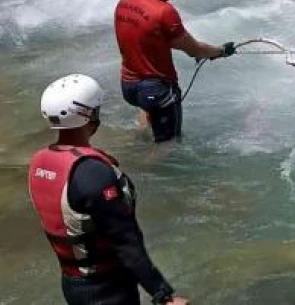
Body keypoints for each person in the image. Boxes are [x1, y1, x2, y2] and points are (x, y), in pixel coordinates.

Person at [28, 74, 190, 305]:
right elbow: (125, 241)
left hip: (72, 284)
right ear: (89, 116)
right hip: (108, 290)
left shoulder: (40, 162)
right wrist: (163, 295)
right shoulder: (91, 172)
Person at [114, 0, 235, 142]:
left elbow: (151, 38)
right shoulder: (164, 11)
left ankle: (139, 142)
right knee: (168, 146)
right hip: (157, 90)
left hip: (129, 86)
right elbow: (193, 49)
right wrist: (221, 51)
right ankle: (140, 168)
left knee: (148, 113)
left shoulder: (124, 2)